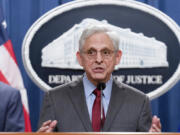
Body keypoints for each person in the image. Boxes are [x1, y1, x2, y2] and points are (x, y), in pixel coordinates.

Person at [38, 25, 161, 132]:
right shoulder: (55, 99)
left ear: (117, 57)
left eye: (106, 52)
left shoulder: (139, 101)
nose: (98, 59)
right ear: (80, 58)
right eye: (91, 52)